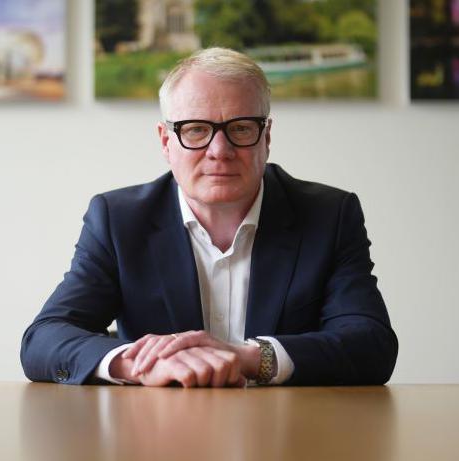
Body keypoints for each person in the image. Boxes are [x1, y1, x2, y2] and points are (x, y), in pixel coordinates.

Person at [20, 47, 397, 387]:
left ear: (266, 136)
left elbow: (371, 344)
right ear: (166, 141)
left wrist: (247, 356)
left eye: (241, 128)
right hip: (155, 437)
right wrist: (139, 365)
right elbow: (45, 338)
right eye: (196, 129)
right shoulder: (119, 220)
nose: (220, 150)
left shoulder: (328, 215)